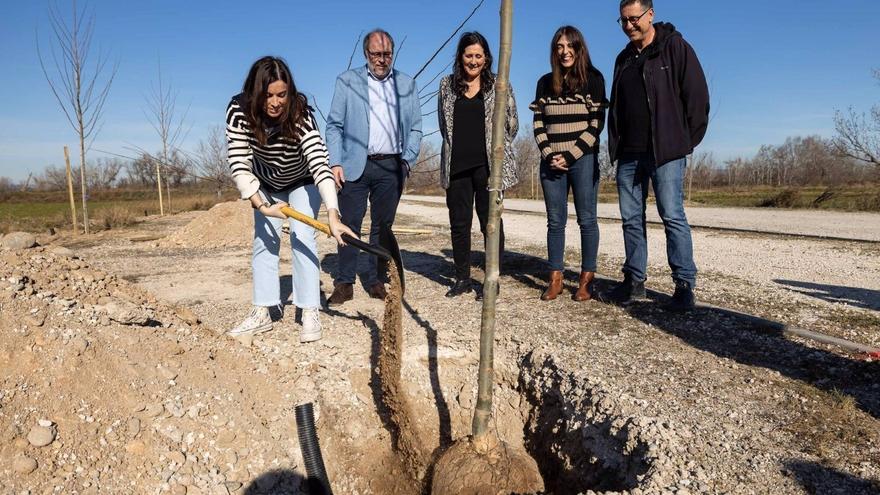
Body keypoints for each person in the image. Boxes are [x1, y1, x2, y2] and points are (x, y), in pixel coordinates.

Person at [225, 56, 355, 342]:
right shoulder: (239, 110)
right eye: (268, 96)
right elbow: (239, 163)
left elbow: (320, 164)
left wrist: (333, 214)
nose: (275, 103)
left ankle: (309, 309)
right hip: (265, 184)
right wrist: (262, 205)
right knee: (264, 240)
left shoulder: (300, 112)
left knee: (302, 236)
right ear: (255, 94)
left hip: (302, 180)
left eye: (281, 94)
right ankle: (263, 311)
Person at [603, 0, 710, 312]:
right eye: (623, 21)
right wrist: (617, 144)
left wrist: (683, 142)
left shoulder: (674, 47)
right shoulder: (623, 58)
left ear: (650, 14)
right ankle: (634, 281)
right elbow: (618, 105)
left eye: (634, 19)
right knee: (630, 219)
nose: (629, 26)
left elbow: (698, 97)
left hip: (666, 152)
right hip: (629, 153)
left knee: (672, 215)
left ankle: (684, 285)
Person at [325, 29, 423, 305]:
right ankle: (344, 282)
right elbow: (334, 125)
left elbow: (416, 127)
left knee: (383, 225)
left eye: (387, 54)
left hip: (391, 166)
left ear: (393, 53)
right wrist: (335, 162)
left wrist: (407, 161)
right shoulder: (347, 82)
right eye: (376, 54)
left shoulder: (406, 84)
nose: (382, 59)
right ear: (366, 54)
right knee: (349, 223)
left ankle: (375, 279)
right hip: (354, 166)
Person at [437, 31, 518, 300]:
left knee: (490, 224)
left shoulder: (499, 85)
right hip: (457, 165)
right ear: (460, 57)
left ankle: (491, 280)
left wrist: (496, 152)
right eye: (468, 55)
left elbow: (512, 124)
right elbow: (443, 125)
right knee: (459, 224)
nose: (473, 61)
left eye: (478, 56)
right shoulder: (446, 85)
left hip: (488, 167)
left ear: (487, 58)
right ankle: (462, 278)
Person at [531, 26, 607, 302]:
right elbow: (538, 123)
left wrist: (572, 154)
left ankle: (586, 279)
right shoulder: (544, 82)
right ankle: (556, 278)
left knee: (587, 219)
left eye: (569, 46)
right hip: (551, 161)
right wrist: (550, 153)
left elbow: (596, 125)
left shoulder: (594, 80)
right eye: (559, 47)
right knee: (555, 221)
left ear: (579, 48)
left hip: (582, 159)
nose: (565, 52)